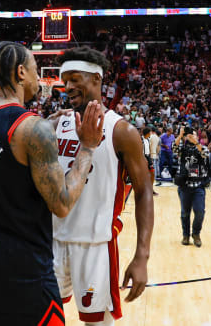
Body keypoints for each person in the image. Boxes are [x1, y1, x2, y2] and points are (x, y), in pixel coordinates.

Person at [0, 41, 104, 325]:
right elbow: (61, 204)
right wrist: (87, 147)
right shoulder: (31, 127)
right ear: (22, 72)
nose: (40, 79)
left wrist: (44, 127)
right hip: (20, 267)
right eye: (37, 71)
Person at [53, 46, 154, 325]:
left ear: (97, 80)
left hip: (95, 245)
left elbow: (145, 192)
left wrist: (141, 256)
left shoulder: (122, 131)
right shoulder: (57, 123)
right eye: (65, 80)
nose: (67, 86)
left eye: (75, 79)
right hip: (52, 240)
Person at [175, 127, 210, 247]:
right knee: (185, 213)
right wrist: (180, 135)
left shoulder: (201, 147)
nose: (191, 137)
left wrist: (196, 143)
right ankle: (185, 235)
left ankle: (196, 234)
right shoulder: (182, 148)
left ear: (197, 137)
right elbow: (174, 149)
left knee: (200, 212)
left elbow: (205, 154)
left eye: (194, 135)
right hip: (184, 186)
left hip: (198, 186)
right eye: (189, 135)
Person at [142, 128, 157, 196]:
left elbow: (148, 150)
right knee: (144, 175)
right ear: (147, 133)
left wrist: (150, 158)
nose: (150, 134)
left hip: (148, 157)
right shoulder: (140, 139)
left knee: (152, 173)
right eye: (150, 133)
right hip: (142, 157)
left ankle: (151, 189)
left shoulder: (148, 139)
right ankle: (143, 190)